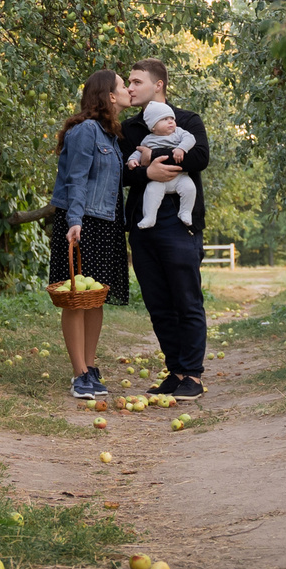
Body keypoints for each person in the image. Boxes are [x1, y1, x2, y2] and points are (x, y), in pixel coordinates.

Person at [121, 59, 208, 398]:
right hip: (143, 226)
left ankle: (193, 375)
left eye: (136, 81)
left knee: (186, 299)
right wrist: (146, 173)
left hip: (179, 222)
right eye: (128, 82)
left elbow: (200, 157)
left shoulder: (187, 120)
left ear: (157, 85)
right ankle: (175, 371)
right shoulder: (129, 129)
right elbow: (122, 173)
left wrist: (152, 161)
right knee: (158, 304)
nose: (129, 88)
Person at [47, 67, 129, 402]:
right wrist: (74, 220)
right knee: (77, 300)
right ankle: (79, 373)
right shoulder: (86, 130)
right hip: (83, 223)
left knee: (95, 299)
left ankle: (91, 368)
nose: (127, 91)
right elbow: (76, 179)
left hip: (106, 223)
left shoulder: (111, 134)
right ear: (109, 95)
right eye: (123, 86)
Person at [127, 101, 198, 229]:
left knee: (190, 188)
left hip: (179, 177)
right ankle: (149, 217)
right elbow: (139, 151)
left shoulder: (179, 132)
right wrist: (132, 161)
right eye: (164, 119)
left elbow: (191, 139)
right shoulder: (148, 139)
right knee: (151, 192)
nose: (170, 121)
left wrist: (181, 148)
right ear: (153, 126)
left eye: (172, 118)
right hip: (157, 179)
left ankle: (185, 212)